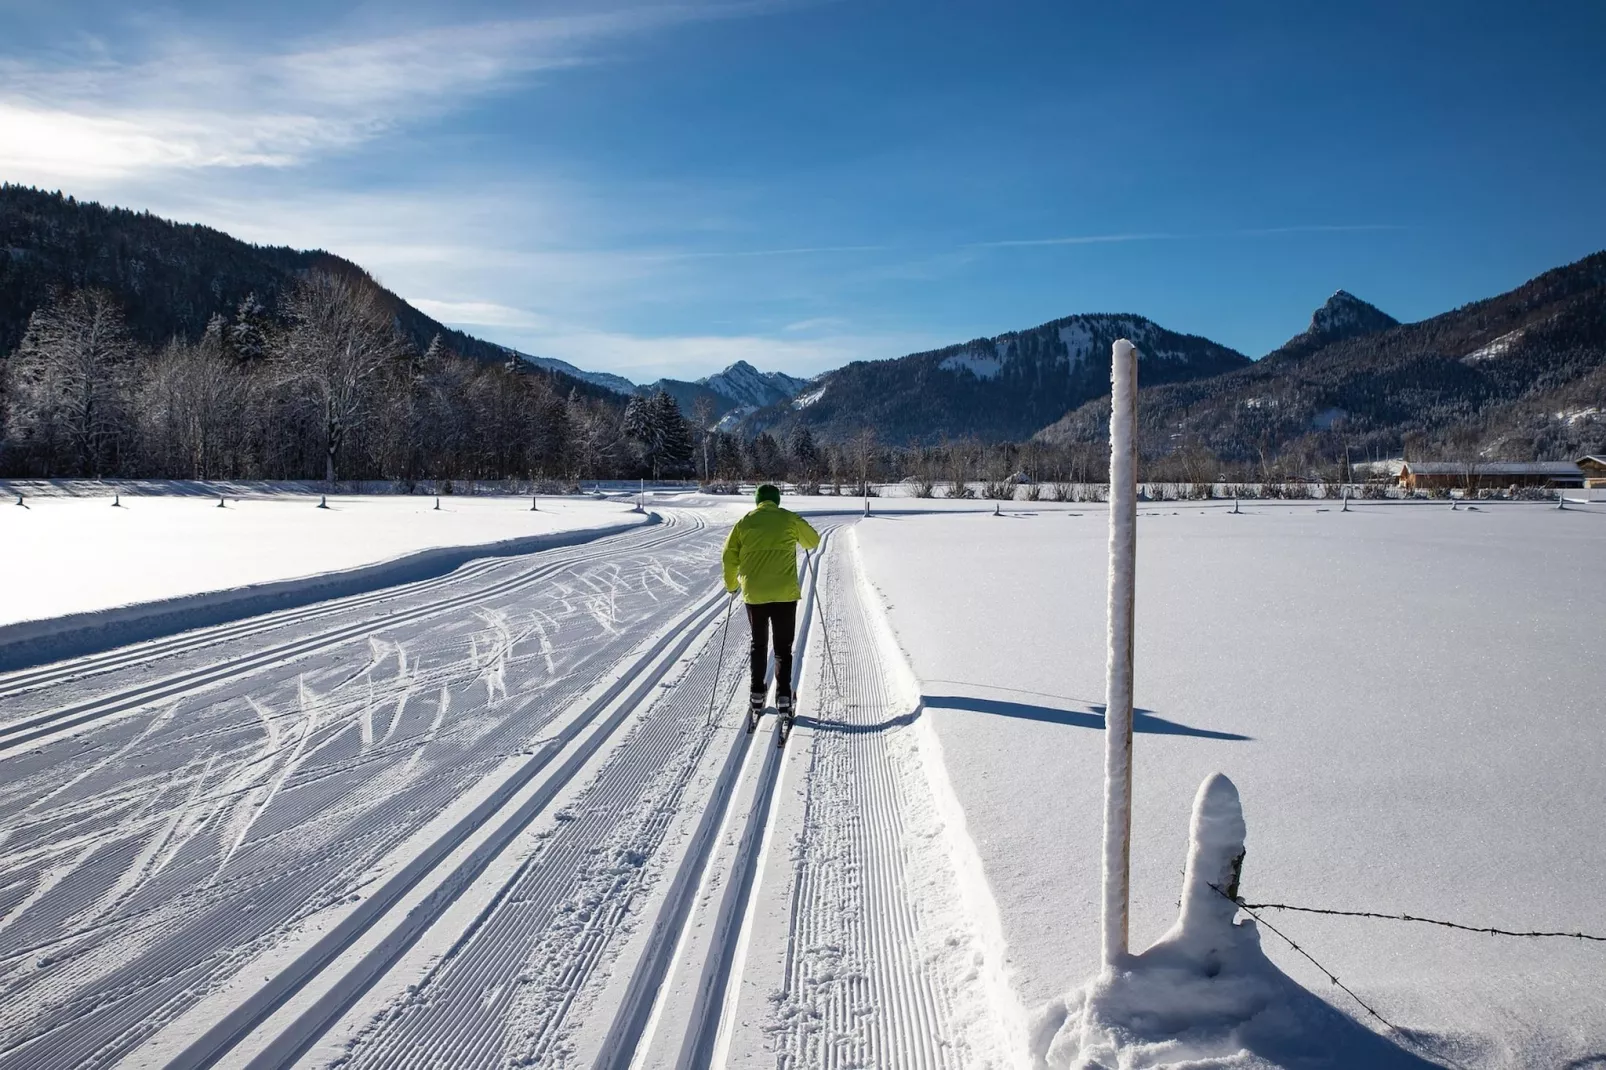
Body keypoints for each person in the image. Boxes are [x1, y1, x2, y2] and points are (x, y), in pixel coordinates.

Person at [722, 483, 821, 720]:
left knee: (759, 643)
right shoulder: (788, 519)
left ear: (757, 500)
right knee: (783, 647)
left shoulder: (744, 522)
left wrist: (732, 585)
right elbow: (812, 541)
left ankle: (757, 693)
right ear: (777, 500)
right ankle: (784, 696)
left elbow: (728, 556)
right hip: (784, 593)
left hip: (754, 594)